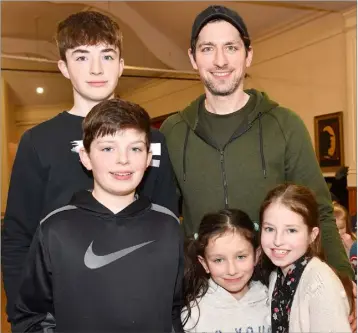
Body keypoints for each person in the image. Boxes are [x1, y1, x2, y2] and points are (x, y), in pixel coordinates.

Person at [2, 11, 179, 324]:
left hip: (141, 307)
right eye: (82, 57)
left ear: (122, 65)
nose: (97, 69)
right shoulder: (38, 141)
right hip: (68, 309)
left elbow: (167, 233)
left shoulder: (153, 140)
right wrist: (24, 319)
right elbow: (18, 238)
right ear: (64, 67)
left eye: (107, 56)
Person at [160, 4, 353, 279]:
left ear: (248, 54)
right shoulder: (173, 131)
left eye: (231, 47)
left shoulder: (285, 124)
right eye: (207, 49)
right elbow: (159, 217)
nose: (220, 60)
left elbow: (319, 212)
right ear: (192, 58)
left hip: (276, 288)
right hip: (200, 292)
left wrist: (344, 280)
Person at [11, 99, 184, 333]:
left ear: (148, 157)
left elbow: (176, 311)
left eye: (135, 148)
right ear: (85, 156)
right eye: (107, 148)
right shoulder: (56, 229)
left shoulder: (168, 227)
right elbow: (32, 316)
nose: (123, 159)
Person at [260, 183, 353, 333]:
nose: (277, 240)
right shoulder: (276, 276)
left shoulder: (320, 285)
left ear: (312, 235)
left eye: (291, 230)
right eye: (269, 229)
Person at [181, 209, 270, 332]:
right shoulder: (194, 314)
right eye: (218, 260)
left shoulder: (271, 300)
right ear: (204, 263)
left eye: (241, 257)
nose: (232, 271)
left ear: (257, 255)